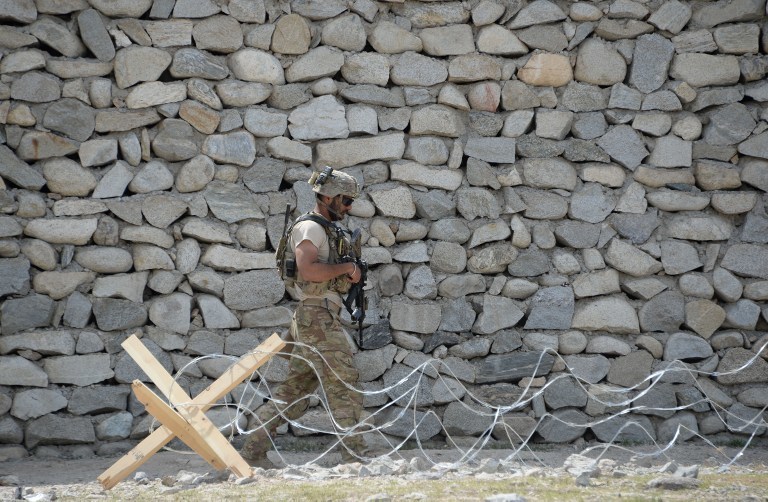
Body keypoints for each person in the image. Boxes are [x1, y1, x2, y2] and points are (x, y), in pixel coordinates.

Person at [240, 167, 366, 469]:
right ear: (328, 197)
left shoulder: (326, 228)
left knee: (294, 391)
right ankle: (356, 455)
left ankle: (252, 451)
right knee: (343, 383)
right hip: (316, 316)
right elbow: (308, 270)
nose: (349, 208)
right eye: (346, 201)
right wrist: (347, 269)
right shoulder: (311, 228)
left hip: (317, 316)